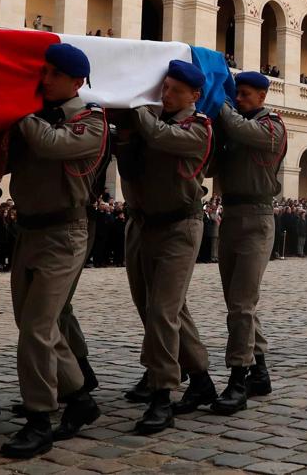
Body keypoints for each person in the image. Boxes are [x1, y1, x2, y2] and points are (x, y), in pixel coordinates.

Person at [0, 43, 106, 459]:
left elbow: (52, 145)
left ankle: (39, 417)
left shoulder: (91, 120)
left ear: (76, 82)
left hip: (65, 233)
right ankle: (80, 398)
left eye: (53, 75)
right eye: (42, 72)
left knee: (37, 328)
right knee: (34, 325)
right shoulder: (35, 119)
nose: (44, 80)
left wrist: (16, 109)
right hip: (28, 231)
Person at [116, 59, 217, 433]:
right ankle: (202, 380)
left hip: (180, 226)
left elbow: (161, 138)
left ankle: (162, 395)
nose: (167, 93)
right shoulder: (147, 123)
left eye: (175, 89)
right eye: (165, 86)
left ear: (194, 95)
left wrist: (134, 104)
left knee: (162, 311)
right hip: (143, 225)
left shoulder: (198, 128)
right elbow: (128, 165)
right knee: (160, 309)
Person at [211, 71, 286, 415]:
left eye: (244, 95)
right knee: (237, 304)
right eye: (235, 94)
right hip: (231, 216)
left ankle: (237, 379)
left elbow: (242, 130)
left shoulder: (272, 127)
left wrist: (220, 101)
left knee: (241, 304)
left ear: (262, 96)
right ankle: (260, 369)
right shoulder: (234, 125)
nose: (239, 100)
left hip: (257, 218)